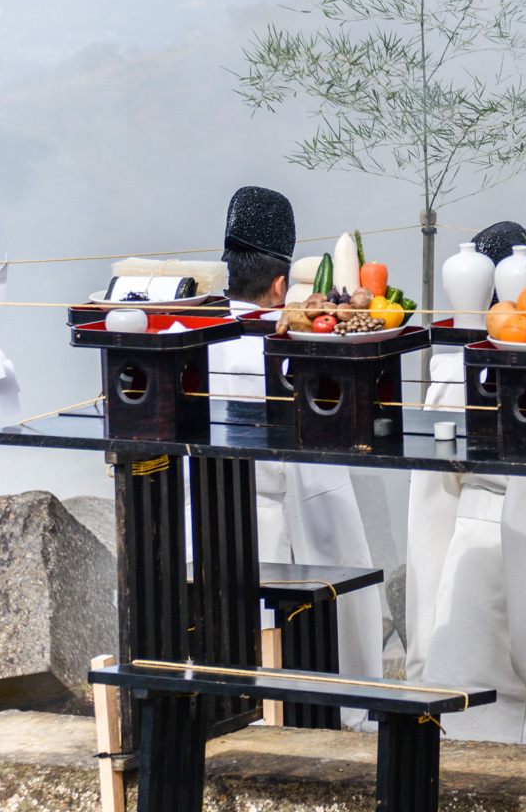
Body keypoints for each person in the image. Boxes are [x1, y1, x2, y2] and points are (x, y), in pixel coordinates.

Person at [208, 186, 383, 727]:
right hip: (285, 526)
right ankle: (341, 708)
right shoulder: (291, 346)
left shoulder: (196, 337)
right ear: (281, 283)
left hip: (210, 522)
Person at [404, 221, 526, 743]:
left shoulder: (449, 371)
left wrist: (421, 652)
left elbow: (428, 516)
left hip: (474, 553)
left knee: (475, 734)